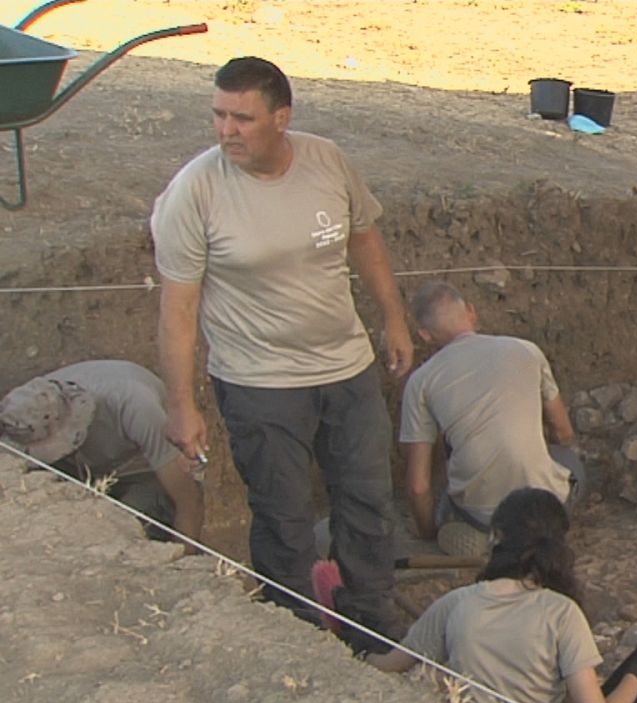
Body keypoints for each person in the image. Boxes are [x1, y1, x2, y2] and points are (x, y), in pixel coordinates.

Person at [151, 56, 413, 651]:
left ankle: (372, 625)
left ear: (281, 118)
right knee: (283, 516)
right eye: (218, 115)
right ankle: (297, 640)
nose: (226, 131)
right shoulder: (196, 192)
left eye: (242, 118)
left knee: (368, 502)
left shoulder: (327, 162)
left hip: (346, 370)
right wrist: (181, 405)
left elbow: (364, 239)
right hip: (258, 383)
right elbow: (178, 310)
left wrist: (393, 318)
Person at [367, 488, 637, 703]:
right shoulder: (561, 613)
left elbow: (389, 664)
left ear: (496, 537)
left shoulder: (456, 603)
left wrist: (355, 646)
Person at [399, 281, 583, 558]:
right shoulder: (526, 350)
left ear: (424, 335)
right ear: (471, 312)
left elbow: (418, 486)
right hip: (543, 503)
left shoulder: (421, 381)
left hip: (481, 516)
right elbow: (564, 432)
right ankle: (541, 529)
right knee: (569, 462)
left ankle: (485, 538)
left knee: (450, 490)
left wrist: (427, 533)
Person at [0, 361, 204, 546]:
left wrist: (185, 561)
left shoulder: (136, 406)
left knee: (126, 531)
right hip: (84, 470)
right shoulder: (25, 410)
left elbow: (188, 501)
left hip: (145, 473)